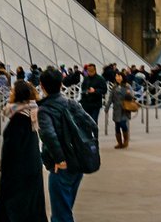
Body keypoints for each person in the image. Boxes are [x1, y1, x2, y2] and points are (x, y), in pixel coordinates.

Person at [36, 68, 98, 222]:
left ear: (42, 85)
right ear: (61, 84)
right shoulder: (71, 103)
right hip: (78, 162)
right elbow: (91, 125)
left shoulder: (45, 110)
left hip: (62, 166)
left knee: (60, 214)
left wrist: (59, 159)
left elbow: (49, 135)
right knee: (65, 208)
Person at [0, 81, 45, 222]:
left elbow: (13, 148)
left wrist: (4, 167)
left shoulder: (19, 118)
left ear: (18, 95)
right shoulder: (31, 113)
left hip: (17, 170)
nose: (10, 93)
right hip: (32, 166)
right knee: (31, 206)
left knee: (12, 206)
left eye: (12, 91)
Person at [108, 72, 135, 149]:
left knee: (123, 124)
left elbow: (131, 97)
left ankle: (126, 140)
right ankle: (119, 143)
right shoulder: (114, 87)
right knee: (117, 126)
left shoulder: (127, 86)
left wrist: (128, 94)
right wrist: (107, 107)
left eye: (119, 76)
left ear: (122, 77)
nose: (117, 78)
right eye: (116, 76)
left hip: (124, 108)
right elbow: (111, 98)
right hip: (116, 109)